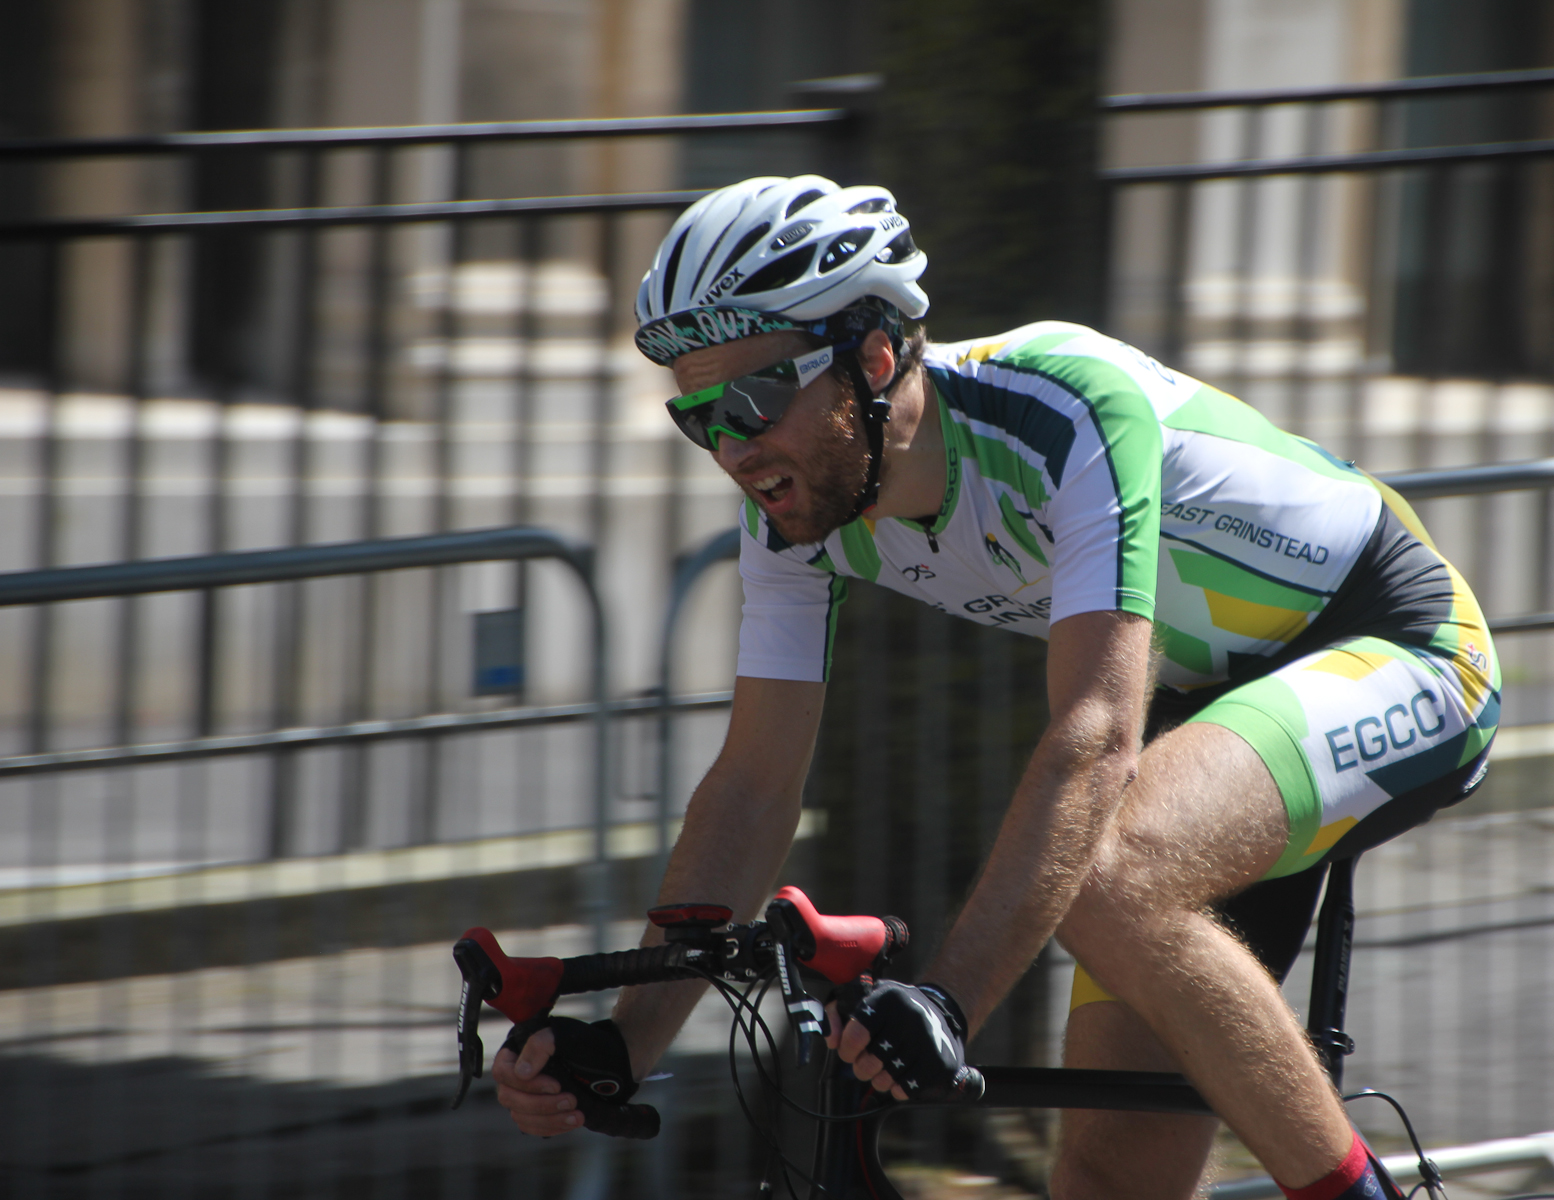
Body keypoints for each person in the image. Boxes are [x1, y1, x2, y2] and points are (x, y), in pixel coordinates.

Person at [495, 175, 1500, 1200]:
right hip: (1216, 710)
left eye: (753, 403)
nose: (732, 449)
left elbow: (1095, 734)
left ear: (872, 357)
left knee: (1106, 877)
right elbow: (752, 785)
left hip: (1396, 642)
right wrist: (626, 1044)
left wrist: (949, 1001)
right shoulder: (794, 514)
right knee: (1106, 1180)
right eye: (699, 417)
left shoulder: (1063, 409)